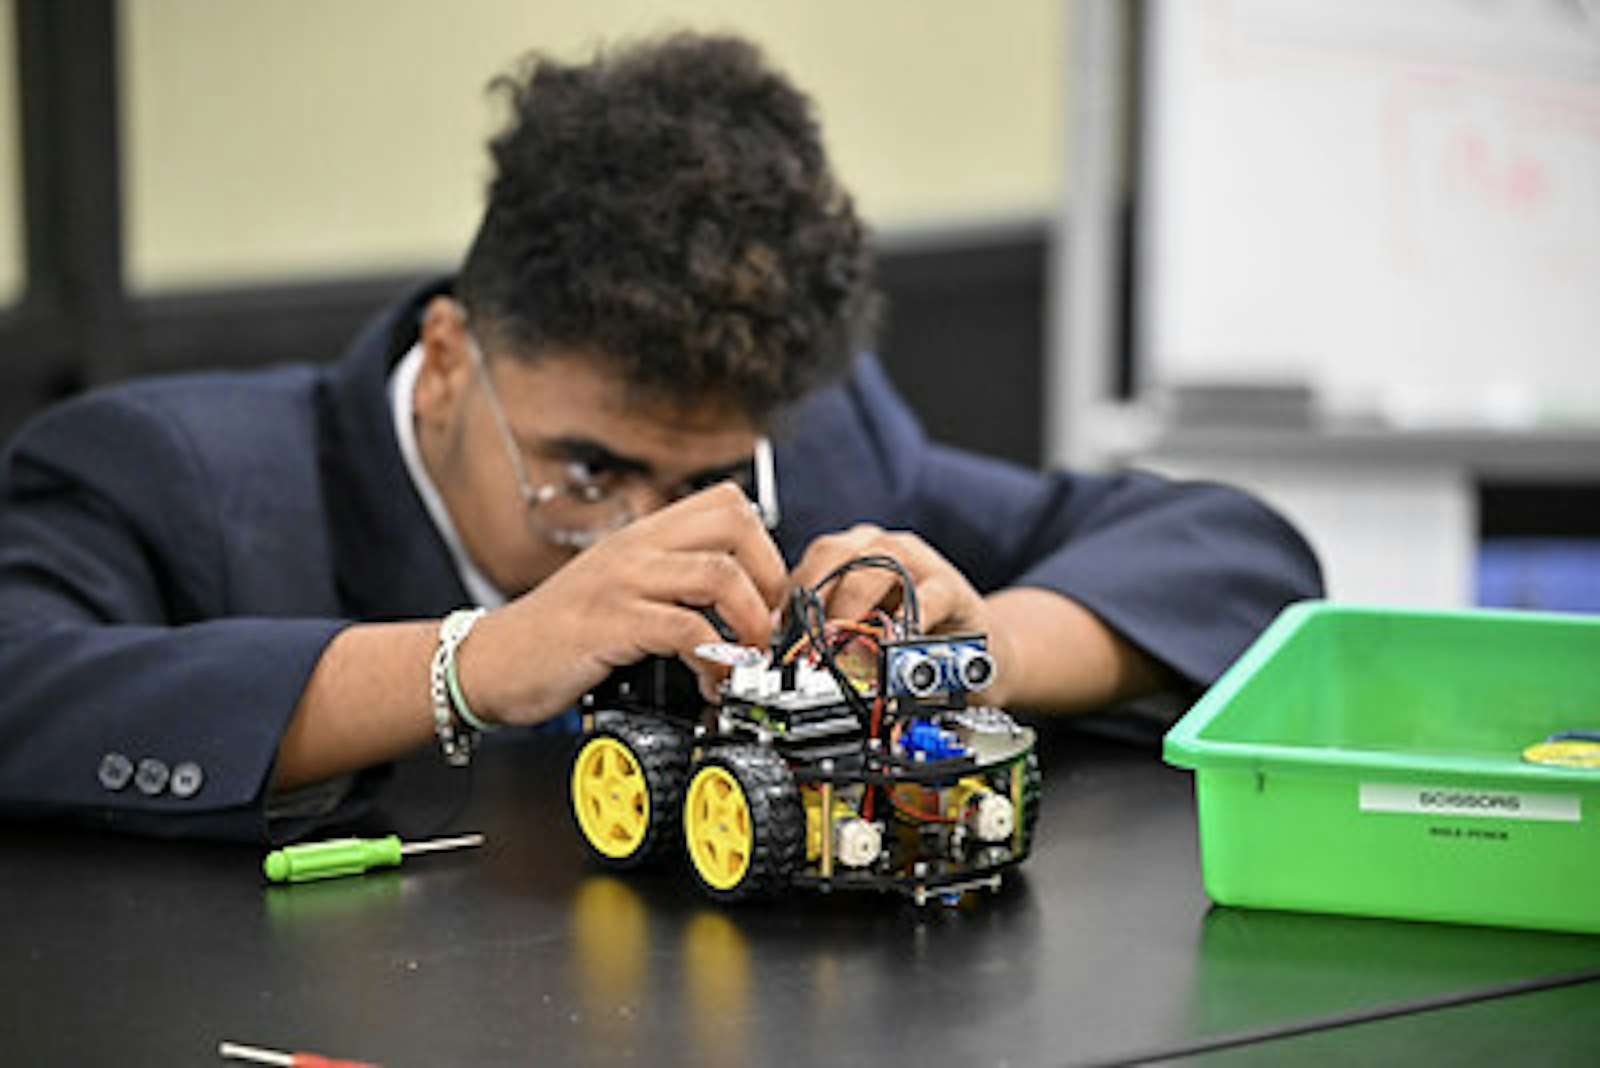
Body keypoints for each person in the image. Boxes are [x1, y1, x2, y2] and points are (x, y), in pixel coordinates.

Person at [0, 33, 1320, 842]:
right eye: (587, 471)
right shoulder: (167, 478)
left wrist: (969, 658)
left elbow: (1226, 554)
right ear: (453, 357)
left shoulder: (827, 452)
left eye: (705, 479)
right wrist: (471, 666)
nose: (646, 536)